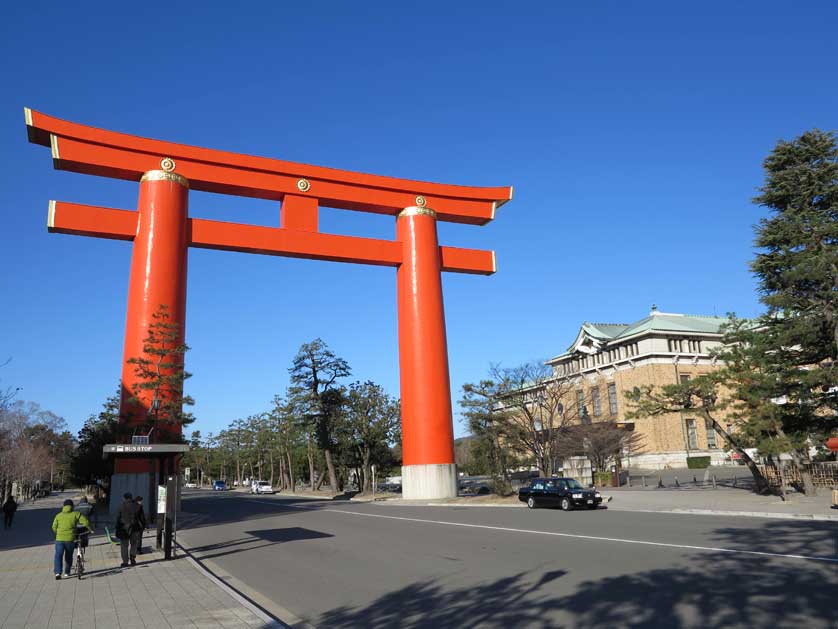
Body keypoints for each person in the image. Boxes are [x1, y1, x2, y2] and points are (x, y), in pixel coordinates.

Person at [52, 498, 90, 579]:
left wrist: (58, 533)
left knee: (58, 555)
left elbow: (54, 527)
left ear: (64, 506)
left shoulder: (58, 515)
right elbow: (85, 522)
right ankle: (67, 572)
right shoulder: (76, 514)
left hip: (59, 539)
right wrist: (89, 528)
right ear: (72, 506)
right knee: (68, 556)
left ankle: (58, 573)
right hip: (70, 539)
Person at [115, 492, 138, 568]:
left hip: (124, 529)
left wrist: (117, 528)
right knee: (134, 544)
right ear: (131, 498)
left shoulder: (121, 506)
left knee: (124, 545)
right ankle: (132, 558)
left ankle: (125, 562)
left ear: (124, 498)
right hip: (134, 528)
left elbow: (118, 518)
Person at [131, 496, 148, 562]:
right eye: (141, 501)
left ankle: (133, 551)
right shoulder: (139, 507)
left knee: (133, 539)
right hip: (138, 525)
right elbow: (142, 517)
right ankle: (138, 550)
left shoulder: (131, 505)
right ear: (138, 501)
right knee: (139, 538)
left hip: (131, 525)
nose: (141, 502)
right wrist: (145, 525)